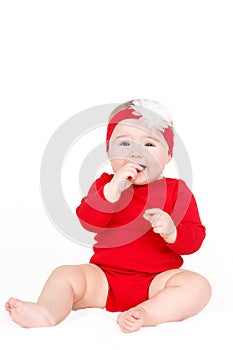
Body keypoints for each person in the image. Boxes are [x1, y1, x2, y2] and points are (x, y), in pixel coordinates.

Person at [5, 99, 211, 333]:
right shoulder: (105, 185)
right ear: (108, 151)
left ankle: (147, 313)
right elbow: (87, 222)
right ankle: (47, 311)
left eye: (149, 144)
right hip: (105, 279)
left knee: (198, 286)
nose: (136, 152)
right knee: (64, 274)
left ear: (168, 155)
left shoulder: (177, 190)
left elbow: (195, 240)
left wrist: (172, 231)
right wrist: (112, 191)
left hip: (157, 282)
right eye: (124, 143)